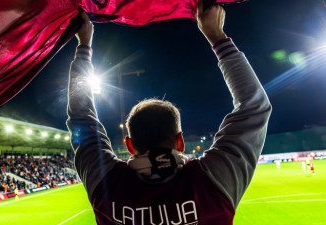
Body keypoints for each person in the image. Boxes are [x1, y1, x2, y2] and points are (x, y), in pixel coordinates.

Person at [66, 2, 272, 225]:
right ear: (180, 141)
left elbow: (80, 118)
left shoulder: (107, 184)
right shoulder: (212, 181)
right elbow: (254, 106)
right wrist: (216, 35)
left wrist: (84, 45)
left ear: (129, 146)